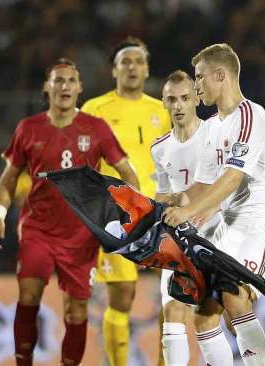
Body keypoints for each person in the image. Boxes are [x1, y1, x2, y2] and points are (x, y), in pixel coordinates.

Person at [0, 58, 139, 366]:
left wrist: (129, 213)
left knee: (76, 311)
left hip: (82, 234)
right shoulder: (28, 129)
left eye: (71, 80)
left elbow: (128, 173)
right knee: (29, 296)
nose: (64, 86)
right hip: (38, 229)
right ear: (47, 88)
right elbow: (9, 178)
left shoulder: (96, 129)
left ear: (79, 88)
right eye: (58, 80)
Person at [164, 43, 265, 366]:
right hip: (229, 224)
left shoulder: (250, 115)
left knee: (235, 296)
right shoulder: (212, 127)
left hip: (260, 221)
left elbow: (232, 178)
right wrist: (169, 204)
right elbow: (204, 185)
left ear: (221, 75)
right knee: (204, 314)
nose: (197, 85)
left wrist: (187, 212)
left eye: (200, 77)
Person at [81, 36, 171, 366]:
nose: (132, 67)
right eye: (125, 62)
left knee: (170, 296)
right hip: (114, 213)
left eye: (138, 61)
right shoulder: (95, 109)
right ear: (114, 69)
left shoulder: (161, 110)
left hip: (158, 213)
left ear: (147, 69)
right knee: (122, 295)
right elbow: (83, 163)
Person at [152, 70, 221, 365]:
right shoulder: (160, 148)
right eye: (172, 100)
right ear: (164, 103)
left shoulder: (215, 135)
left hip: (218, 236)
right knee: (172, 311)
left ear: (196, 99)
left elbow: (229, 185)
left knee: (209, 317)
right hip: (179, 241)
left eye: (184, 98)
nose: (178, 105)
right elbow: (163, 193)